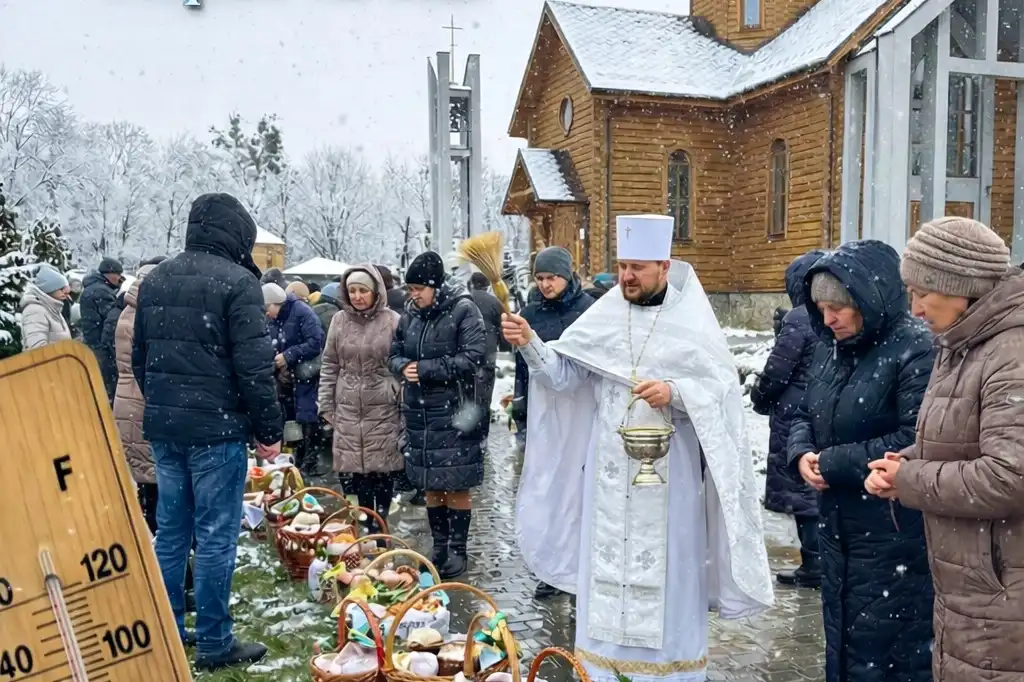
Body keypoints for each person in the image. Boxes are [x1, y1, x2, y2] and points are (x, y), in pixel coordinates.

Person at [504, 215, 773, 682]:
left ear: (664, 267)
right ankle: (602, 672)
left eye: (639, 268)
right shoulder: (605, 317)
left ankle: (668, 674)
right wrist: (531, 344)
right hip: (607, 484)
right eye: (623, 265)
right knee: (605, 574)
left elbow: (722, 397)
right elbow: (567, 378)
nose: (627, 276)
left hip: (672, 485)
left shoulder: (692, 323)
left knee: (670, 577)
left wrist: (677, 392)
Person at [866, 218, 1024, 682]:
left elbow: (1009, 476)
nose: (912, 308)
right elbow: (958, 443)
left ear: (958, 287)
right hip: (972, 586)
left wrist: (909, 481)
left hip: (1003, 591)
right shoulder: (962, 344)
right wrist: (907, 462)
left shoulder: (1011, 354)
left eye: (920, 292)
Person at [133, 193, 282, 670]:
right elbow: (255, 367)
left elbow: (141, 359)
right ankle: (216, 642)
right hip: (216, 431)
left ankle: (170, 633)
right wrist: (268, 429)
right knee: (215, 538)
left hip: (167, 427)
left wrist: (168, 404)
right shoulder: (239, 283)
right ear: (238, 234)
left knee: (171, 534)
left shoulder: (155, 280)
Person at [787, 240, 934, 682]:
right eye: (821, 307)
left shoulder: (916, 350)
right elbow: (803, 413)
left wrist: (832, 463)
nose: (829, 318)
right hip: (839, 530)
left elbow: (915, 438)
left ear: (870, 301)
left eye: (839, 307)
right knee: (845, 639)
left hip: (892, 532)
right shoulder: (830, 348)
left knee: (890, 649)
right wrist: (801, 454)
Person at [389, 251, 487, 579]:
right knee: (431, 483)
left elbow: (473, 358)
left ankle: (458, 550)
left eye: (418, 288)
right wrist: (403, 366)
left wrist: (428, 369)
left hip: (455, 412)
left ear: (434, 285)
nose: (413, 294)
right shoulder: (410, 316)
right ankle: (439, 546)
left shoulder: (463, 310)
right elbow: (394, 353)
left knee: (456, 483)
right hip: (420, 414)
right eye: (410, 288)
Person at [510, 246, 594, 599]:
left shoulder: (589, 310)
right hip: (545, 413)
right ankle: (553, 567)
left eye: (552, 277)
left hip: (582, 412)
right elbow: (523, 368)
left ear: (567, 276)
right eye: (540, 278)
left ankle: (582, 565)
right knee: (550, 491)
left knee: (580, 494)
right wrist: (520, 406)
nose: (546, 284)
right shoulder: (530, 313)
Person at [749, 250, 826, 589]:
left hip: (795, 414)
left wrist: (760, 398)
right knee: (819, 484)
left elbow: (777, 371)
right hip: (826, 409)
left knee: (801, 490)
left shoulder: (799, 318)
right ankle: (823, 560)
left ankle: (813, 564)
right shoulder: (833, 314)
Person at [319, 266, 403, 534]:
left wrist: (397, 392)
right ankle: (367, 526)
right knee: (356, 471)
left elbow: (402, 361)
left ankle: (381, 524)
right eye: (352, 290)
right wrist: (326, 403)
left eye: (362, 290)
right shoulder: (339, 321)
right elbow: (330, 363)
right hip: (347, 404)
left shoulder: (393, 321)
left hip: (383, 405)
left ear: (375, 291)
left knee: (383, 469)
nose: (356, 296)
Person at [264, 282, 325, 477]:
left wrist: (288, 356)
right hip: (286, 376)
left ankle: (310, 460)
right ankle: (295, 460)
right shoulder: (275, 318)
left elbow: (316, 342)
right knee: (290, 417)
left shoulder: (302, 312)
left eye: (266, 308)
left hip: (305, 375)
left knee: (307, 415)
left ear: (276, 303)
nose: (265, 314)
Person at [468, 271, 505, 442]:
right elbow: (502, 326)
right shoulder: (495, 302)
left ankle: (469, 429)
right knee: (485, 394)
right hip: (488, 353)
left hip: (467, 353)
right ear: (487, 285)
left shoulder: (465, 299)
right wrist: (503, 346)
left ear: (472, 284)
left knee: (468, 392)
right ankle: (483, 431)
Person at [19, 264, 72, 349]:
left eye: (66, 288)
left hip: (59, 361)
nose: (66, 292)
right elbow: (37, 349)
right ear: (49, 288)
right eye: (61, 288)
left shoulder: (53, 309)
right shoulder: (35, 311)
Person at [79, 257, 124, 358]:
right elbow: (112, 318)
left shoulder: (94, 287)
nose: (120, 278)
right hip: (100, 346)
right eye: (118, 274)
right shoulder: (101, 292)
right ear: (110, 274)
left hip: (92, 343)